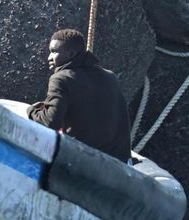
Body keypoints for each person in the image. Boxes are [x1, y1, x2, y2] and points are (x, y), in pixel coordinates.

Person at [27, 28, 131, 160]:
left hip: (86, 162)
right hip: (121, 164)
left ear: (71, 54)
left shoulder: (61, 78)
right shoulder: (110, 76)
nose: (49, 57)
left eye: (54, 52)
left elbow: (50, 122)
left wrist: (32, 110)